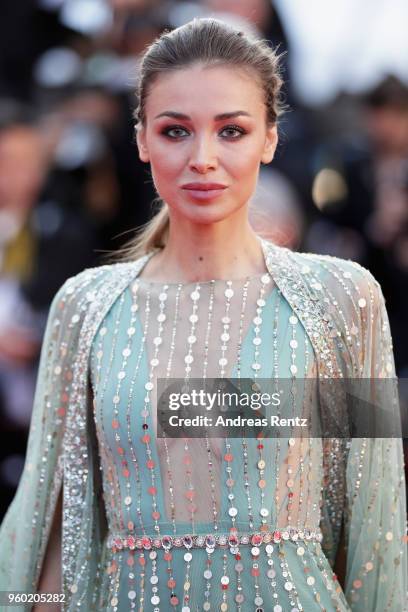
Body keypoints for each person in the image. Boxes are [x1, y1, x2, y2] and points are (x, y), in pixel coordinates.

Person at [0, 17, 406, 612]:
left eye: (232, 130)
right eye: (175, 130)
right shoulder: (84, 306)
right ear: (141, 140)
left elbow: (377, 514)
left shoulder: (345, 297)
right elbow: (51, 525)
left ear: (270, 138)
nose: (203, 158)